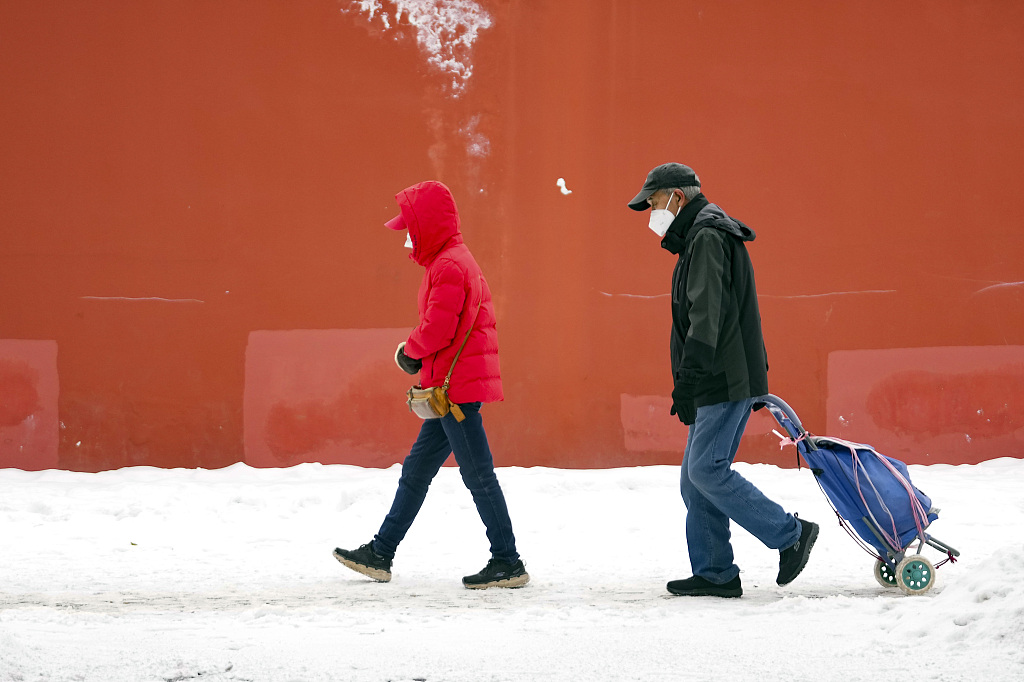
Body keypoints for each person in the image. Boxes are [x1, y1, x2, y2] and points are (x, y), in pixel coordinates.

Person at [627, 163, 817, 598]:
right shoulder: (697, 238)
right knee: (694, 479)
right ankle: (715, 571)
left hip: (721, 375)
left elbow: (706, 315)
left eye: (653, 203)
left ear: (676, 196)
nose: (651, 213)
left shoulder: (708, 238)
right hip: (717, 374)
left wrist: (691, 376)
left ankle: (791, 534)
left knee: (707, 471)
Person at [333, 180, 529, 589]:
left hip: (455, 392)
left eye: (410, 226)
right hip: (450, 390)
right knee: (417, 471)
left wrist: (410, 351)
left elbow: (438, 326)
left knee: (478, 476)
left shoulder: (449, 266)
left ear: (428, 225)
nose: (407, 235)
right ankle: (381, 552)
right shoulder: (451, 261)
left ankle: (508, 560)